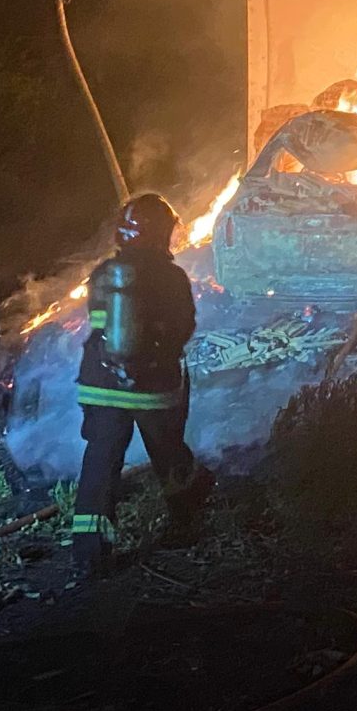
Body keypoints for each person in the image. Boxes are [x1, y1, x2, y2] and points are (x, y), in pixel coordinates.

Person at [69, 192, 213, 571]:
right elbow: (183, 327)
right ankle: (187, 523)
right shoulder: (172, 277)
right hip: (153, 389)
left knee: (100, 463)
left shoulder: (103, 274)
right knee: (168, 454)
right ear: (163, 232)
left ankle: (89, 553)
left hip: (100, 386)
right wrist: (158, 355)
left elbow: (97, 325)